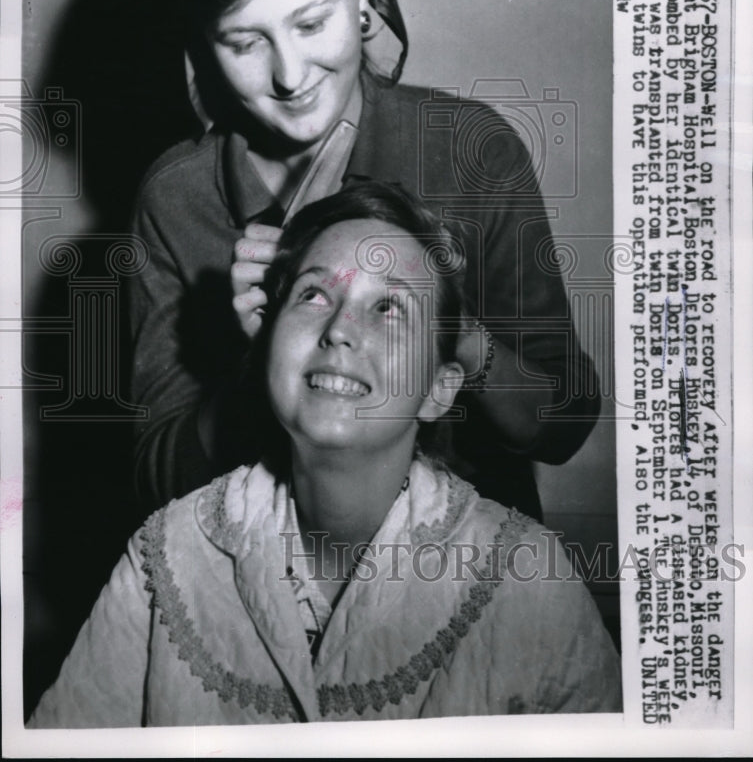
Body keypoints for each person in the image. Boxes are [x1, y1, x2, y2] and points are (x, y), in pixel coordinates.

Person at [130, 0, 602, 520]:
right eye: (244, 41)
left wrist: (453, 333)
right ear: (204, 42)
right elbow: (155, 484)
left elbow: (562, 426)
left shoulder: (472, 151)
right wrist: (258, 359)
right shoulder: (176, 199)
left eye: (311, 23)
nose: (289, 76)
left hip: (466, 585)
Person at [30, 182, 621, 727]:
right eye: (313, 294)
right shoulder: (164, 557)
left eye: (389, 307)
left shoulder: (530, 583)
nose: (340, 328)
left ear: (440, 388)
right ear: (265, 347)